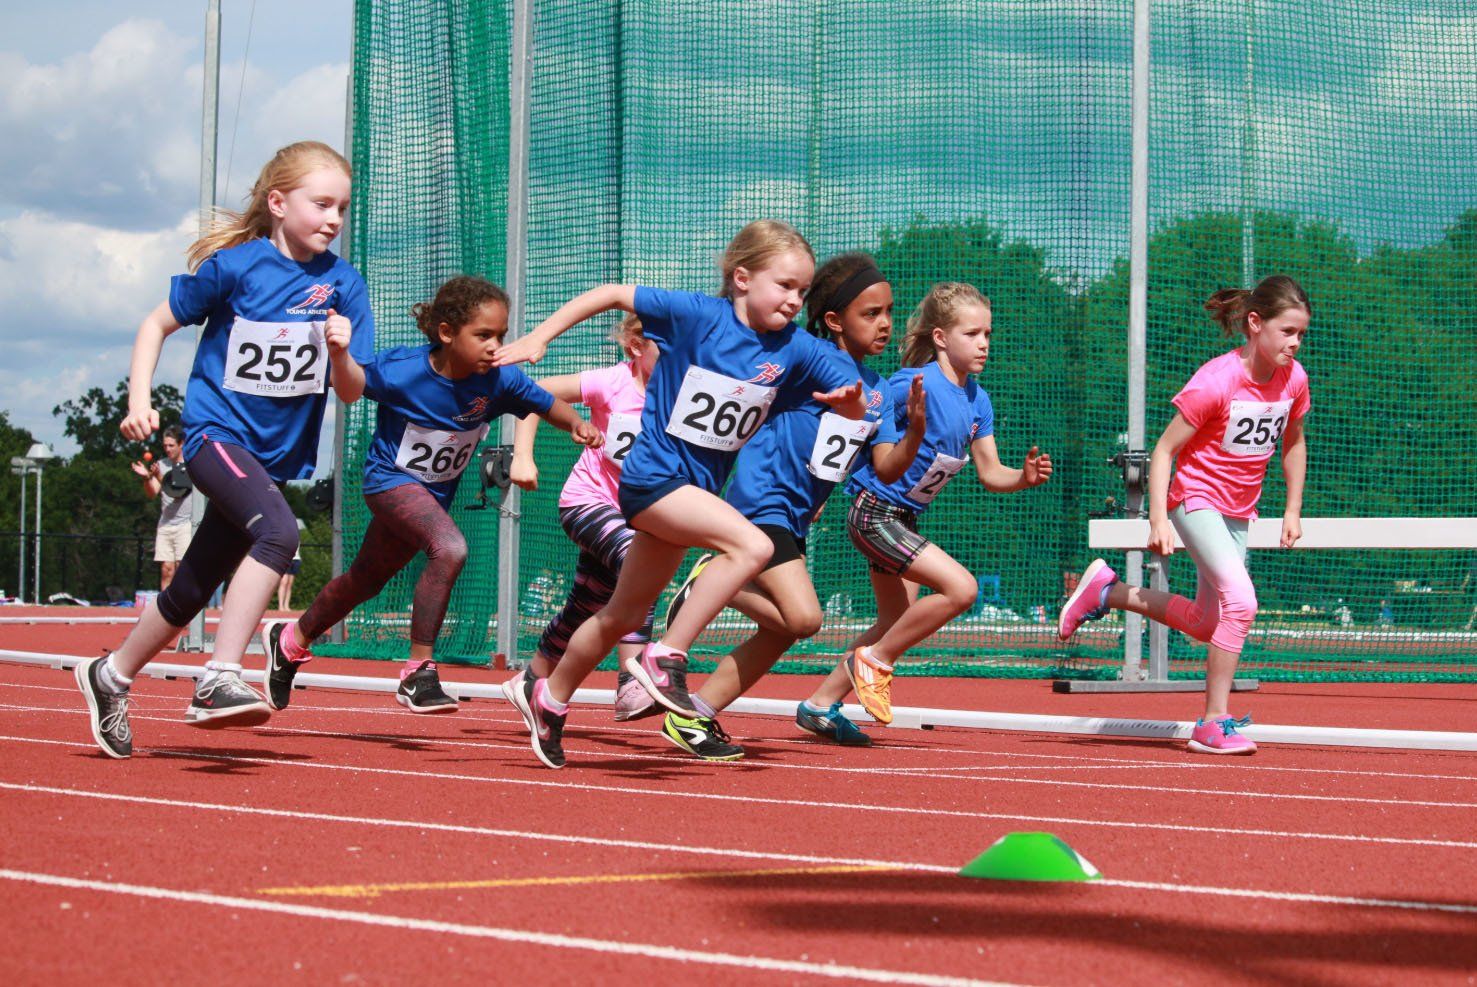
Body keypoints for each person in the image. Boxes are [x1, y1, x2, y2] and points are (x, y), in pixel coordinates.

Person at [493, 219, 867, 768]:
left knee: (620, 612)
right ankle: (666, 654)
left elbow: (853, 398)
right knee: (753, 546)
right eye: (784, 285)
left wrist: (851, 404)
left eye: (803, 291)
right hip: (652, 481)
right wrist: (540, 337)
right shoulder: (697, 317)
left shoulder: (798, 349)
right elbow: (613, 293)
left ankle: (545, 694)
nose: (795, 300)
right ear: (742, 278)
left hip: (693, 491)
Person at [73, 141, 373, 758]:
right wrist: (138, 402)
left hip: (271, 457)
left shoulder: (345, 284)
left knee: (193, 586)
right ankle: (218, 677)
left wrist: (341, 351)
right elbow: (155, 323)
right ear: (277, 202)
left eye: (342, 208)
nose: (333, 219)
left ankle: (111, 674)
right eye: (321, 204)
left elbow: (353, 391)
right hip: (215, 436)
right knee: (279, 534)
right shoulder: (237, 267)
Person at [263, 276, 601, 714]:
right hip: (388, 482)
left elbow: (543, 403)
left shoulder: (499, 381)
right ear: (446, 332)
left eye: (500, 335)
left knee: (366, 580)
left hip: (430, 499)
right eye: (482, 335)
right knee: (450, 547)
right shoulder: (403, 371)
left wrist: (575, 423)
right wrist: (340, 355)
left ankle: (292, 639)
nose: (494, 345)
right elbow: (351, 384)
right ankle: (418, 670)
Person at [658, 254, 926, 759]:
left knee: (785, 628)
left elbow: (888, 468)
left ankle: (695, 717)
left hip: (796, 517)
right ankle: (716, 582)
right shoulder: (806, 361)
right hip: (762, 504)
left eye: (889, 311)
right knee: (803, 619)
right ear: (833, 321)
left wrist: (915, 430)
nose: (886, 323)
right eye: (871, 313)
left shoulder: (878, 391)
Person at [1059, 275, 1310, 755]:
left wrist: (1293, 508)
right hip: (1194, 499)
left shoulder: (1293, 380)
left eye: (1301, 334)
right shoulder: (1215, 381)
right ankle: (1214, 721)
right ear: (1255, 324)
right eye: (1287, 332)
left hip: (1239, 511)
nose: (1295, 344)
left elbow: (1293, 442)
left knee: (1204, 623)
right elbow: (1164, 451)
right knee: (1243, 602)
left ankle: (1107, 591)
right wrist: (1157, 518)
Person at [802, 282, 1053, 739]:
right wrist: (813, 491)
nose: (983, 344)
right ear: (940, 338)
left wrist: (1023, 477)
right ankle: (876, 661)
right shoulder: (910, 385)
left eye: (988, 334)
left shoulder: (979, 400)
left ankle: (820, 703)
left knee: (894, 619)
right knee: (961, 589)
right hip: (873, 510)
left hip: (902, 518)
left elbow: (991, 473)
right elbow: (853, 422)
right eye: (972, 333)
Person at [509, 313, 661, 719]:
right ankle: (631, 681)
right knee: (640, 565)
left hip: (636, 515)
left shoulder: (681, 394)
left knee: (586, 605)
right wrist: (523, 456)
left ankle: (530, 679)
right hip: (587, 501)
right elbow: (534, 392)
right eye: (667, 349)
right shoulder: (611, 383)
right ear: (636, 346)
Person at [130, 425, 191, 590]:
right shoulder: (162, 464)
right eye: (165, 446)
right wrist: (146, 478)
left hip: (185, 524)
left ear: (181, 444)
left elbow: (177, 492)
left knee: (181, 569)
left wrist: (157, 475)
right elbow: (153, 493)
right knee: (166, 570)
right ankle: (165, 610)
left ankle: (181, 608)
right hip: (166, 524)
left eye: (171, 445)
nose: (167, 449)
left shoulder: (186, 464)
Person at [275, 516, 307, 610]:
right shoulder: (285, 534)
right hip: (287, 559)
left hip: (296, 559)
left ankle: (286, 605)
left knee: (289, 584)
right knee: (283, 582)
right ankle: (280, 605)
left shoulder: (298, 536)